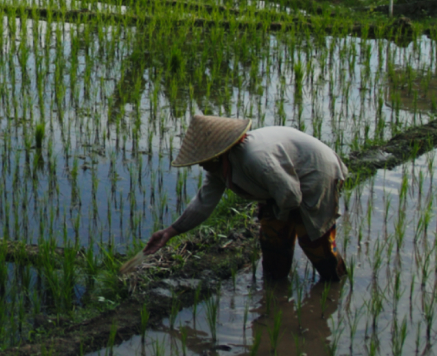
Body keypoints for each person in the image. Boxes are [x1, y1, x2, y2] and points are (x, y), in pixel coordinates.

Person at [144, 115, 348, 281]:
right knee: (272, 243)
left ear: (219, 153)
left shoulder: (255, 159)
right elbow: (203, 203)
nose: (201, 165)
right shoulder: (218, 168)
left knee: (315, 243)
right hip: (284, 187)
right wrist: (170, 232)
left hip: (316, 176)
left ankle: (336, 285)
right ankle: (275, 295)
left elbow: (292, 196)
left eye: (204, 160)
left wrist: (278, 214)